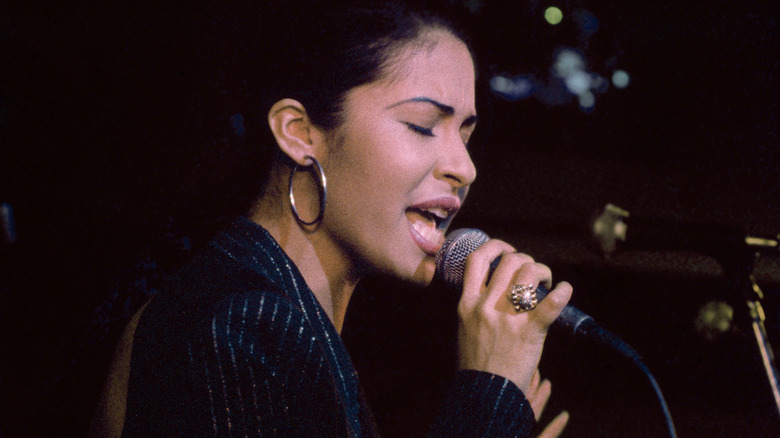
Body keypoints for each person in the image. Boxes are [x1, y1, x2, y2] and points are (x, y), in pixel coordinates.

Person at [101, 1, 574, 436]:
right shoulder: (248, 321)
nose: (465, 168)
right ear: (300, 132)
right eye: (423, 125)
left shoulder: (275, 312)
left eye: (465, 134)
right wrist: (484, 406)